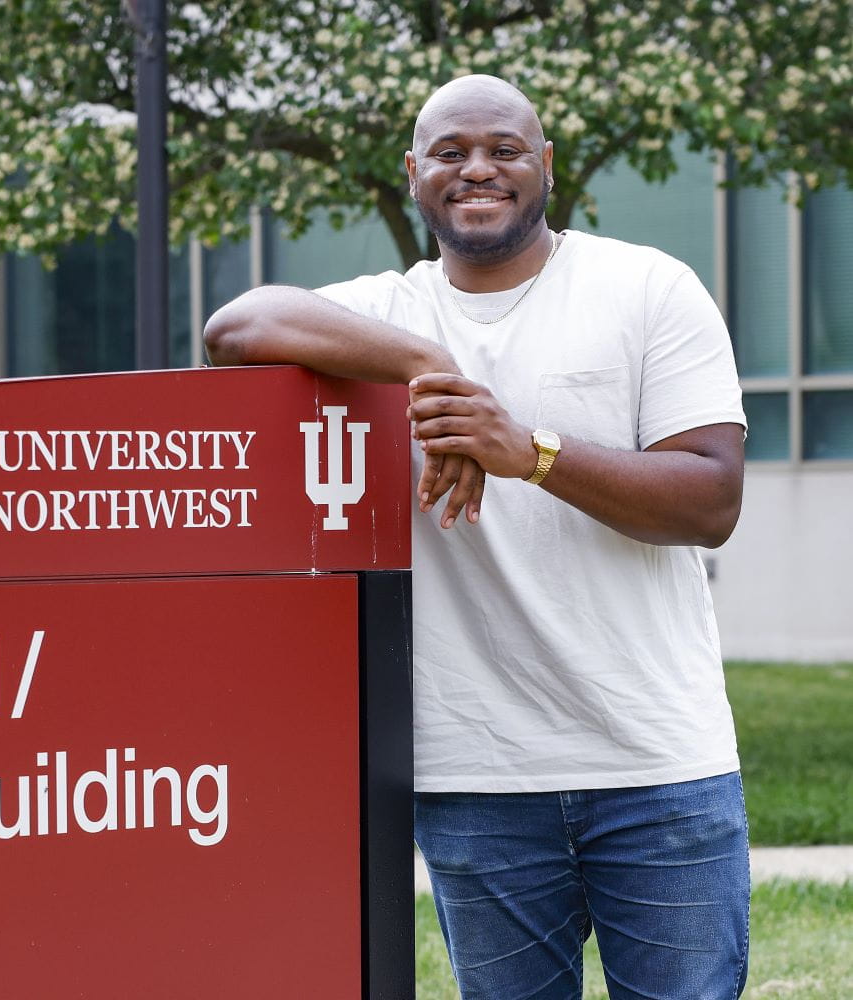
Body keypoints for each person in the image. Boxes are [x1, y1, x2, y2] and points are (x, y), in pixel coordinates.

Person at [205, 75, 750, 999]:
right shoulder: (388, 312)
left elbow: (709, 499)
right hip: (478, 777)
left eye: (504, 148)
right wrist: (427, 362)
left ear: (546, 165)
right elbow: (236, 326)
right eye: (450, 153)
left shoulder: (648, 286)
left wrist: (524, 449)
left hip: (659, 766)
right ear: (416, 174)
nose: (478, 169)